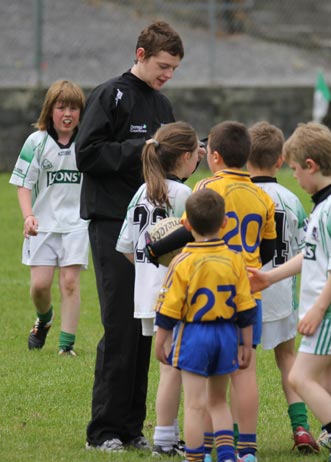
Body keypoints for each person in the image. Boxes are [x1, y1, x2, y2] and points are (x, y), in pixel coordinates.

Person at [75, 21, 184, 452]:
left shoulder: (163, 104)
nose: (168, 74)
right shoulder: (110, 95)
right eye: (163, 65)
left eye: (174, 68)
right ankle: (102, 431)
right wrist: (140, 151)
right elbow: (87, 153)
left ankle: (132, 428)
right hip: (111, 224)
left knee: (147, 326)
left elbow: (170, 161)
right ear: (141, 54)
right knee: (120, 325)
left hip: (156, 230)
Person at [147, 120, 277, 462]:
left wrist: (155, 248)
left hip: (206, 290)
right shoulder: (264, 197)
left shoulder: (207, 186)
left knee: (203, 388)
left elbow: (188, 230)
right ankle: (246, 449)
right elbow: (270, 251)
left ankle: (201, 449)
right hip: (246, 289)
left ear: (214, 156)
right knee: (244, 371)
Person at [248, 122, 331, 462]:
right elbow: (312, 254)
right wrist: (269, 278)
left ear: (311, 166)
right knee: (330, 386)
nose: (294, 177)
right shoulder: (325, 206)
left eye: (295, 169)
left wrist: (318, 308)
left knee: (300, 377)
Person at [154, 188, 258, 462]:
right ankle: (225, 456)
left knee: (194, 405)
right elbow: (246, 307)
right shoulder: (235, 259)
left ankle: (195, 458)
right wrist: (246, 343)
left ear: (186, 225)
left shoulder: (181, 262)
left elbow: (168, 309)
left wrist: (160, 340)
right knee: (218, 400)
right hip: (226, 333)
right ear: (224, 222)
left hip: (194, 334)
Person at [116, 121, 200, 456]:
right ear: (184, 157)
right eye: (196, 154)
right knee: (182, 368)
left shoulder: (141, 191)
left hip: (148, 294)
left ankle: (167, 439)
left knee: (168, 366)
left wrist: (148, 271)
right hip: (177, 295)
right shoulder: (184, 195)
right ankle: (171, 441)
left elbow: (124, 246)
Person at [246, 121, 319, 454]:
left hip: (244, 292)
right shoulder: (292, 199)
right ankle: (301, 428)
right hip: (280, 295)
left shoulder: (239, 197)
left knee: (240, 366)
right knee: (287, 358)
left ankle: (236, 434)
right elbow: (308, 250)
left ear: (245, 158)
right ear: (280, 161)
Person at [10, 79, 87, 357]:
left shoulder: (88, 141)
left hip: (77, 224)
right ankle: (44, 319)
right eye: (61, 107)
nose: (68, 114)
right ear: (50, 110)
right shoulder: (36, 142)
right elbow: (23, 184)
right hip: (42, 225)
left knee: (70, 282)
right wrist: (28, 216)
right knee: (40, 286)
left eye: (74, 108)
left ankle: (66, 347)